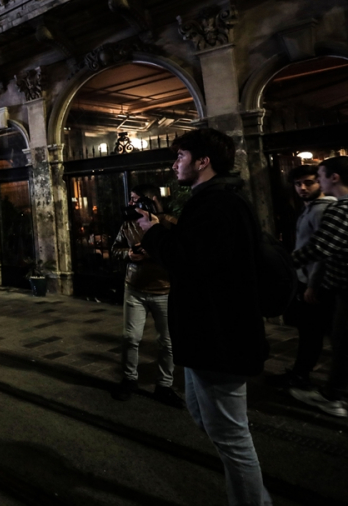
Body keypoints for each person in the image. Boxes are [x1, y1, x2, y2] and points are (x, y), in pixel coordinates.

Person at [137, 128, 270, 505]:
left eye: (180, 156)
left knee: (232, 437)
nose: (175, 163)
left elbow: (190, 261)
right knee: (203, 415)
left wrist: (153, 234)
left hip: (221, 336)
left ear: (202, 161)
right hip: (207, 336)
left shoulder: (218, 204)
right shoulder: (212, 200)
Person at [110, 186, 184, 408]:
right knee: (130, 338)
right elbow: (115, 249)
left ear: (150, 200)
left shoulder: (170, 224)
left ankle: (164, 386)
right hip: (134, 288)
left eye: (134, 199)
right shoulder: (129, 224)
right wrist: (129, 254)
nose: (131, 204)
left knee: (168, 342)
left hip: (164, 290)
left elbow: (179, 253)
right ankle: (129, 380)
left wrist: (152, 251)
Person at [289, 156, 348, 418]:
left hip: (343, 287)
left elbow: (320, 248)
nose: (319, 182)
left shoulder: (338, 209)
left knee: (341, 341)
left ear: (332, 177)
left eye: (320, 176)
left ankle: (334, 396)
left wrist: (282, 265)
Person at [277, 165, 335, 392]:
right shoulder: (309, 208)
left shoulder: (323, 210)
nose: (302, 187)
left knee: (313, 333)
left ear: (320, 182)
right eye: (298, 183)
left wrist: (312, 284)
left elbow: (323, 250)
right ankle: (301, 374)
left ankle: (304, 377)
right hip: (307, 280)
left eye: (309, 182)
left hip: (317, 283)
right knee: (310, 333)